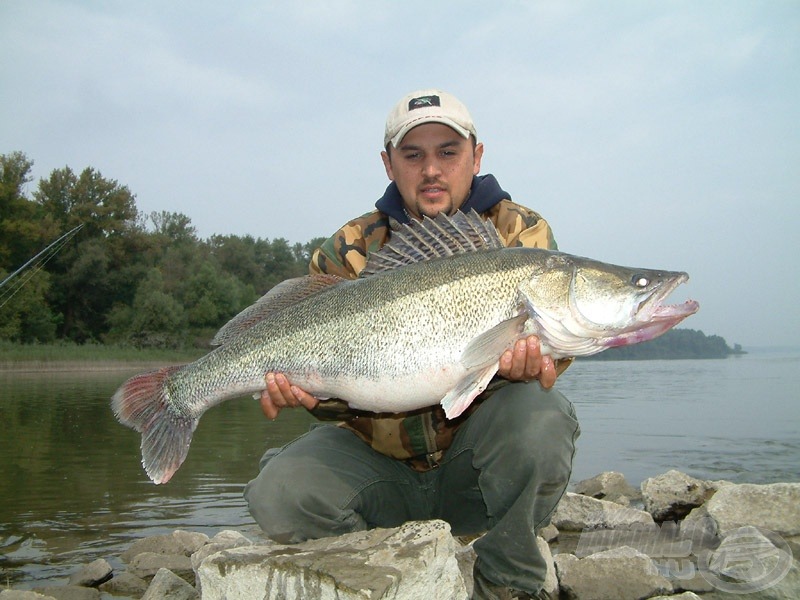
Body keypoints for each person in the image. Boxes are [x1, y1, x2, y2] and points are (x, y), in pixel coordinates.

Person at [244, 89, 580, 600]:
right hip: (380, 475)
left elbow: (560, 343)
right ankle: (384, 579)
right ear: (388, 163)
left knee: (542, 415)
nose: (431, 170)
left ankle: (506, 582)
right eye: (413, 154)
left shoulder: (519, 235)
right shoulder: (349, 248)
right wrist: (307, 394)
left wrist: (528, 365)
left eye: (448, 152)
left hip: (474, 475)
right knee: (279, 492)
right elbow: (338, 397)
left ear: (477, 156)